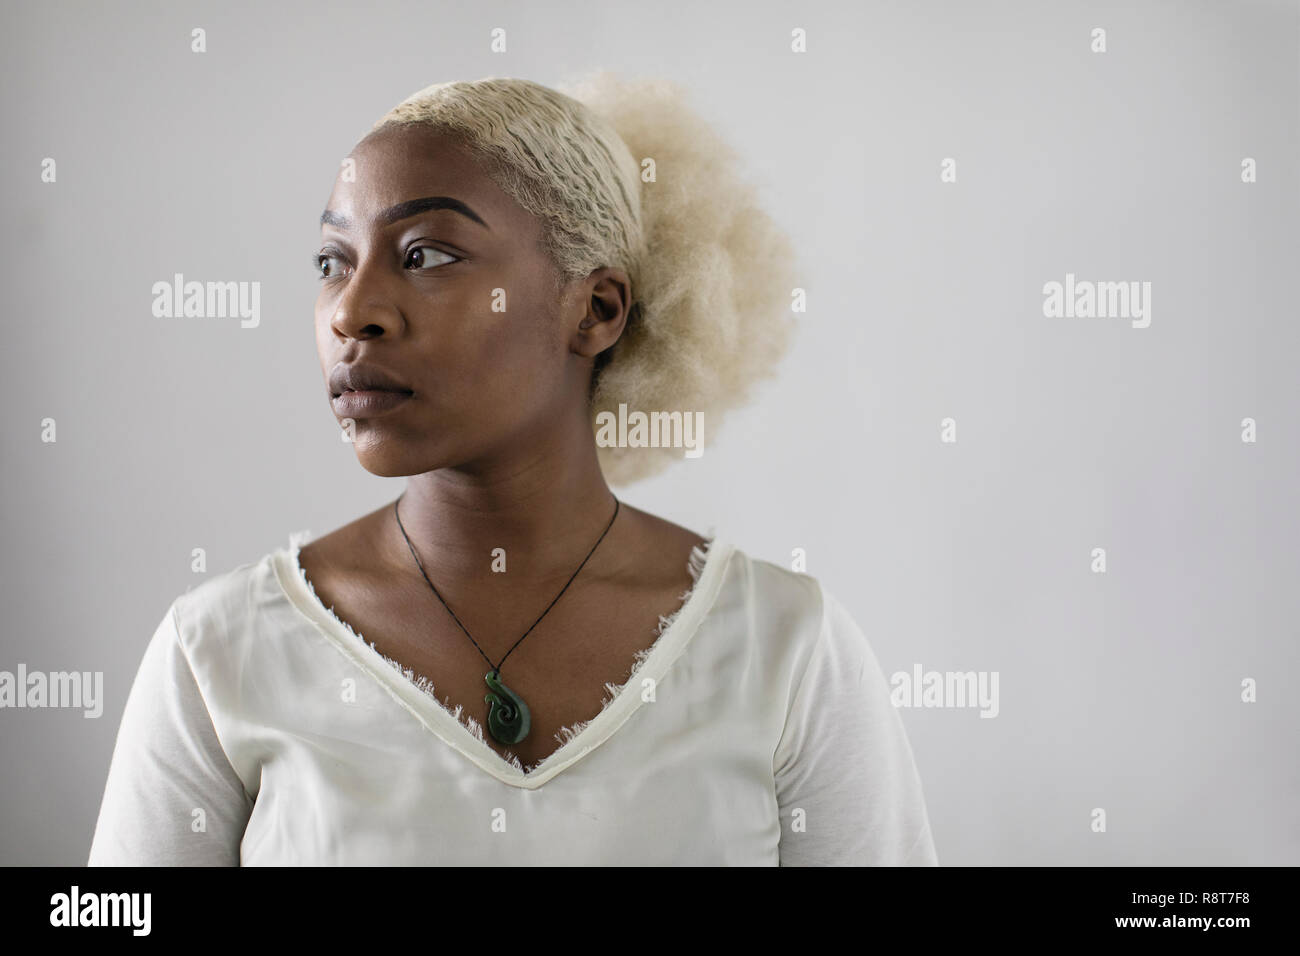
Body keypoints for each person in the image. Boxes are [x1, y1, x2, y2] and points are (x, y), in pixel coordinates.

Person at [87, 72, 938, 865]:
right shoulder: (219, 653)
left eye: (425, 254)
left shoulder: (784, 648)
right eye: (331, 263)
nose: (352, 311)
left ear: (596, 310)